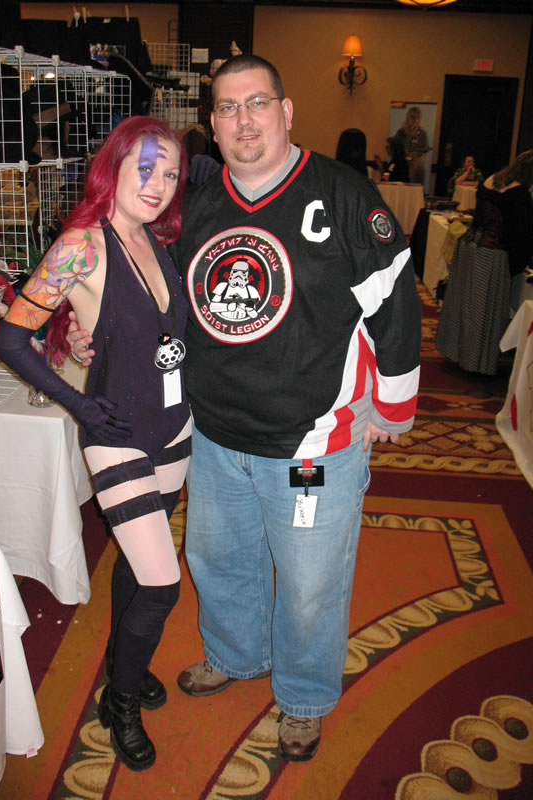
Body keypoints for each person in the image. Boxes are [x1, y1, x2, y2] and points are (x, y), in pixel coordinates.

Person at [69, 54, 421, 763]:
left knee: (310, 583)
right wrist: (91, 328)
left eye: (257, 103)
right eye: (227, 109)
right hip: (213, 435)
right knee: (218, 561)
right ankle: (235, 654)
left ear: (286, 111)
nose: (243, 121)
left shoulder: (343, 193)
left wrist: (394, 405)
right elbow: (157, 298)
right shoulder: (194, 203)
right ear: (213, 122)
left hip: (312, 442)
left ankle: (305, 696)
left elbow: (395, 300)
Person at [0, 117, 191, 771]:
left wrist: (83, 334)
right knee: (161, 583)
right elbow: (10, 339)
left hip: (174, 429)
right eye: (145, 168)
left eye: (170, 173)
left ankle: (122, 663)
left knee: (138, 564)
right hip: (117, 435)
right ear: (114, 166)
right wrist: (78, 403)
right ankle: (119, 701)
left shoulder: (154, 236)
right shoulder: (81, 244)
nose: (158, 184)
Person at [436, 149, 533, 374]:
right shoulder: (519, 194)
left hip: (470, 247)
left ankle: (458, 353)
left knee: (464, 304)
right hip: (491, 254)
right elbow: (521, 234)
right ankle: (476, 362)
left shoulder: (492, 180)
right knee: (482, 311)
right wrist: (517, 264)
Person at [395, 106, 430, 184]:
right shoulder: (400, 133)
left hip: (416, 169)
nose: (415, 121)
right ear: (407, 118)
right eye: (413, 117)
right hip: (401, 168)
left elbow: (425, 152)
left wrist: (416, 161)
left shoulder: (423, 134)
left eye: (418, 118)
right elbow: (395, 150)